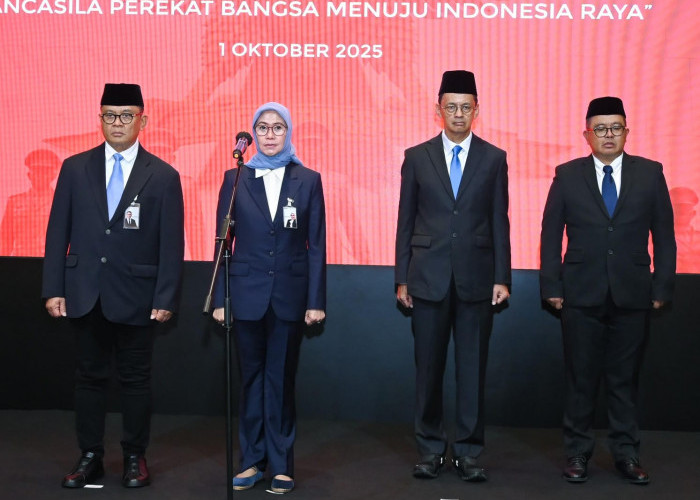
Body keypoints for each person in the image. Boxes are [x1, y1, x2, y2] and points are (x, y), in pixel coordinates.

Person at [42, 83, 185, 489]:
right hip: (85, 291)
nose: (117, 122)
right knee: (89, 378)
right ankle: (90, 456)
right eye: (109, 115)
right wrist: (53, 287)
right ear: (100, 119)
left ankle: (135, 456)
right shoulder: (74, 168)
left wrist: (166, 295)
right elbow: (57, 232)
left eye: (126, 115)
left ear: (143, 120)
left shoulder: (163, 175)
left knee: (136, 380)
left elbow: (171, 243)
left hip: (138, 295)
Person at [540, 96, 676, 485]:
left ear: (626, 132)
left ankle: (626, 454)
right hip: (579, 294)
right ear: (587, 135)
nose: (609, 135)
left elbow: (664, 235)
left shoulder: (650, 173)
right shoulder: (567, 175)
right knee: (580, 379)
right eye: (600, 128)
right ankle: (577, 453)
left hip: (633, 293)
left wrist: (662, 285)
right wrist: (552, 285)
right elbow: (550, 234)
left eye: (616, 127)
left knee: (624, 380)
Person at [395, 70, 511, 482]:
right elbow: (405, 220)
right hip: (427, 278)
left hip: (477, 279)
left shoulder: (494, 158)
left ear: (477, 110)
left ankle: (468, 452)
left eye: (466, 107)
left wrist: (502, 276)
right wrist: (402, 276)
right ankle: (429, 450)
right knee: (428, 370)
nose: (458, 113)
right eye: (451, 107)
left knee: (472, 370)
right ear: (438, 110)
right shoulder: (417, 156)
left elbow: (500, 220)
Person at [212, 102, 326, 494]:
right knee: (250, 380)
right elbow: (223, 243)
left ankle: (280, 465)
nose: (270, 134)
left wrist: (316, 300)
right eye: (263, 127)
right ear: (253, 133)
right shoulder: (235, 178)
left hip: (290, 296)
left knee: (279, 380)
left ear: (288, 131)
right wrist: (220, 297)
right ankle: (251, 460)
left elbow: (316, 246)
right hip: (245, 294)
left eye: (278, 127)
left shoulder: (308, 179)